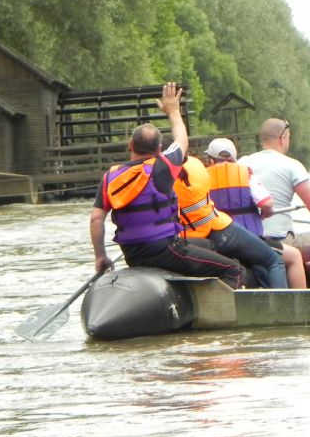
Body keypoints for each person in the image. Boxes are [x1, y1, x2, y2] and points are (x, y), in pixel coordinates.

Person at [90, 82, 243, 288]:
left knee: (210, 245)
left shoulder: (111, 176)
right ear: (160, 149)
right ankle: (217, 315)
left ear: (130, 145)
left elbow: (96, 219)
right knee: (234, 269)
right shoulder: (164, 167)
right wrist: (173, 111)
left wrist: (101, 256)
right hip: (165, 250)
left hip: (133, 253)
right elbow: (182, 139)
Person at [239, 118, 310, 287]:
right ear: (283, 138)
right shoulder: (291, 165)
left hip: (248, 240)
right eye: (289, 137)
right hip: (279, 241)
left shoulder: (242, 163)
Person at [205, 137, 306, 288]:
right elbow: (267, 203)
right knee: (286, 257)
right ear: (234, 159)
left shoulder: (203, 177)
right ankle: (287, 304)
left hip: (218, 239)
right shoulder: (245, 174)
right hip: (247, 238)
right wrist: (266, 213)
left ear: (210, 160)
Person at [175, 154, 287, 288]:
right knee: (274, 260)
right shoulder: (195, 165)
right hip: (221, 229)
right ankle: (282, 307)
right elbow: (267, 204)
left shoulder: (157, 178)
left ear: (211, 161)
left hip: (191, 238)